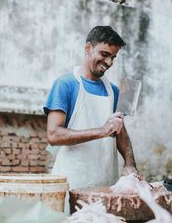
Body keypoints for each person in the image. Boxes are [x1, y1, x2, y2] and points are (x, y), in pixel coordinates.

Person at [44, 26, 138, 190]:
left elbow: (120, 132)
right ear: (88, 48)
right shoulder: (65, 84)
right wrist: (102, 131)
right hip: (72, 182)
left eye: (113, 58)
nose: (109, 63)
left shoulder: (115, 91)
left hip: (107, 182)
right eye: (104, 54)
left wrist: (130, 164)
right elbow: (53, 135)